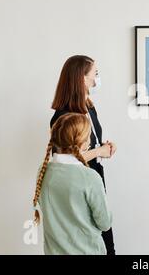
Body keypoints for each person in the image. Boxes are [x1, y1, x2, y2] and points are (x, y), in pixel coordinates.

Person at [50, 55, 117, 254]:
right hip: (76, 183)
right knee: (88, 234)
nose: (97, 79)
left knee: (106, 238)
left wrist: (103, 147)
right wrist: (98, 151)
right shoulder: (63, 116)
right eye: (95, 74)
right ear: (82, 79)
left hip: (94, 176)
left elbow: (87, 145)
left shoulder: (89, 107)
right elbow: (65, 158)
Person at [33, 112, 112, 255]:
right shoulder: (90, 177)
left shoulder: (43, 171)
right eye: (89, 137)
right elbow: (105, 223)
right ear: (83, 144)